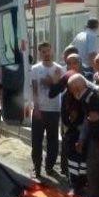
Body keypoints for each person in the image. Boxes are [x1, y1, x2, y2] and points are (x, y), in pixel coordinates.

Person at [31, 42, 63, 179]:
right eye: (43, 51)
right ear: (39, 53)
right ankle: (37, 167)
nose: (46, 54)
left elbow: (60, 88)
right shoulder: (35, 68)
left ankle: (49, 166)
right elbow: (35, 89)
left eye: (48, 51)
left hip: (54, 109)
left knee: (53, 140)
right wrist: (36, 108)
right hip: (40, 110)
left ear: (52, 51)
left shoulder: (59, 69)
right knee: (36, 141)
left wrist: (52, 82)